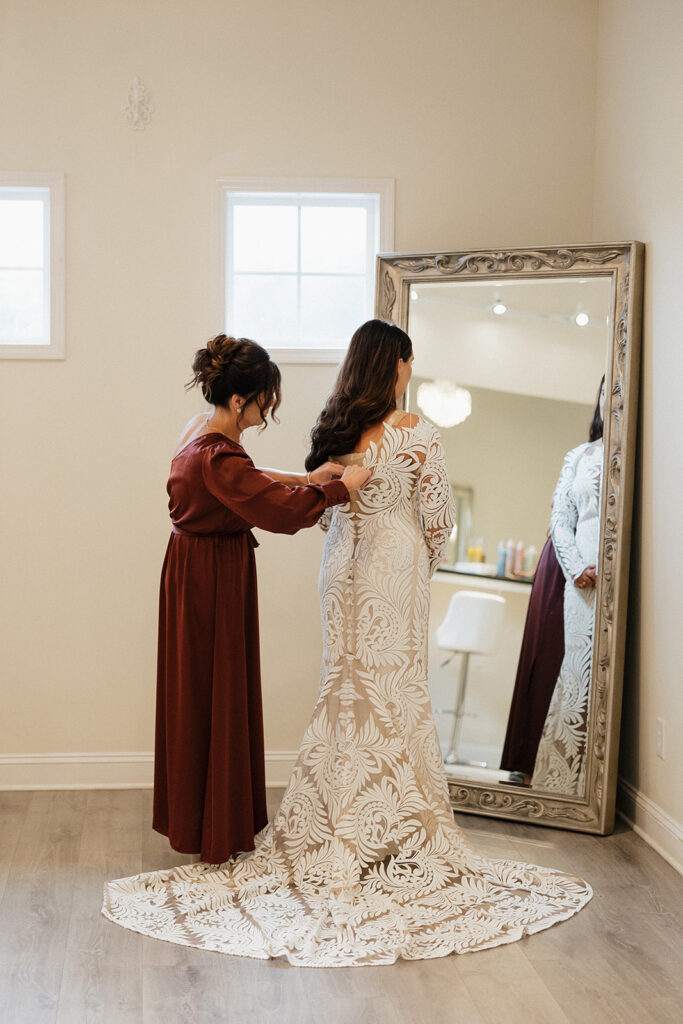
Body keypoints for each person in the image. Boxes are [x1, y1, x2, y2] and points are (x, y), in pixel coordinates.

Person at [104, 321, 592, 967]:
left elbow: (297, 493)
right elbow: (440, 521)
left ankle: (339, 826)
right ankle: (389, 832)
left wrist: (335, 489)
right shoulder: (417, 433)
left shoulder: (325, 429)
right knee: (393, 696)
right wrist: (407, 539)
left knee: (344, 695)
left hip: (338, 569)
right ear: (396, 364)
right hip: (390, 569)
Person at [151, 334, 371, 865]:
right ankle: (214, 829)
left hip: (194, 573)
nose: (264, 413)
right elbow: (274, 510)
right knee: (215, 691)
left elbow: (243, 480)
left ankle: (204, 819)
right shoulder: (217, 457)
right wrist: (343, 487)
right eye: (262, 404)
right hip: (211, 581)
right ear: (237, 401)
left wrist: (304, 477)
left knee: (200, 691)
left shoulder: (199, 434)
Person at [532, 377, 606, 795]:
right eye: (603, 390)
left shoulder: (637, 457)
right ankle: (560, 786)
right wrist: (576, 568)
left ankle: (597, 787)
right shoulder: (578, 456)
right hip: (581, 583)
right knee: (575, 673)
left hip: (618, 582)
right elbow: (560, 519)